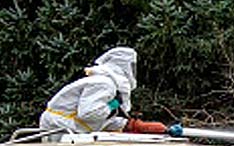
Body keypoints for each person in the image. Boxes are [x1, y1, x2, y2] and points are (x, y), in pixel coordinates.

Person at [39, 46, 168, 134]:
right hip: (60, 130)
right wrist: (114, 105)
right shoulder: (103, 83)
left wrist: (131, 125)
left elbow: (99, 120)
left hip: (67, 130)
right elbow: (89, 114)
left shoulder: (108, 83)